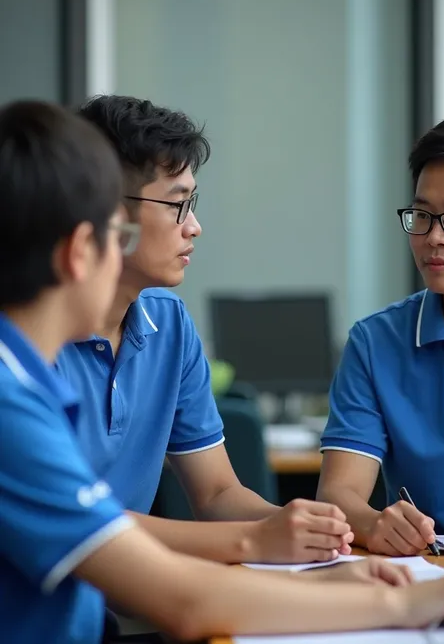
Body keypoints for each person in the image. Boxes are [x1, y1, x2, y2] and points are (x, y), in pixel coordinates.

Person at [4, 100, 444, 644]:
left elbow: (193, 512)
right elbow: (179, 596)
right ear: (83, 247)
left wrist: (311, 560)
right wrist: (402, 600)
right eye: (116, 236)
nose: (196, 228)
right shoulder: (11, 398)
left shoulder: (131, 338)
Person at [56, 94, 352, 565]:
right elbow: (72, 521)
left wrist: (298, 528)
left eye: (191, 203)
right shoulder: (33, 341)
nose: (194, 227)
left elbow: (216, 494)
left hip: (126, 599)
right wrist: (255, 542)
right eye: (177, 204)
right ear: (107, 212)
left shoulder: (168, 323)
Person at [318, 107, 444, 556]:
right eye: (422, 216)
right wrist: (376, 524)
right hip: (427, 583)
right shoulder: (376, 342)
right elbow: (338, 496)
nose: (434, 238)